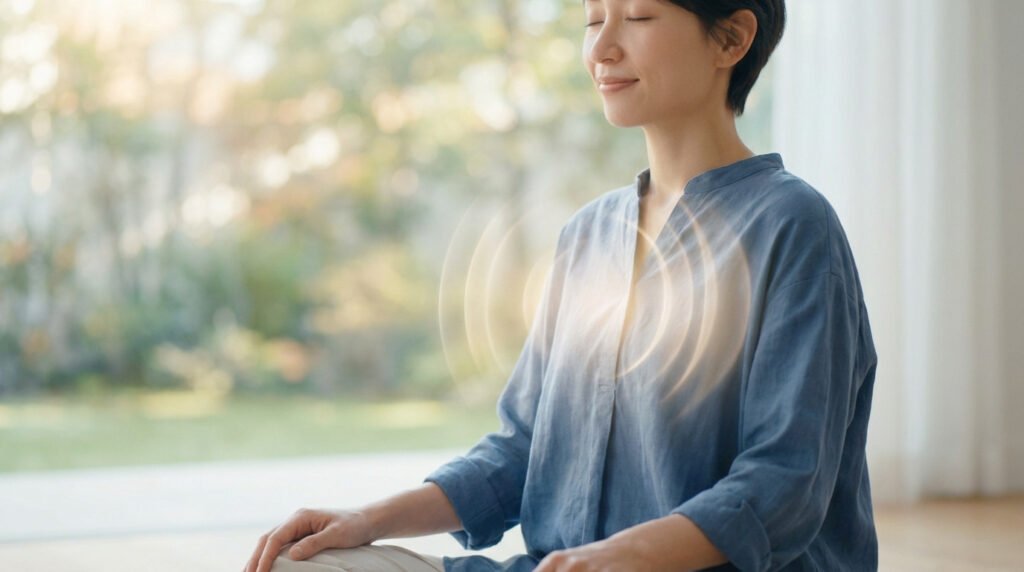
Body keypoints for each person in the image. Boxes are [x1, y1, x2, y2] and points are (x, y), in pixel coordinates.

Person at [244, 0, 880, 570]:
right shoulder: (588, 233)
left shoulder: (793, 225)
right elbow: (523, 448)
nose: (601, 47)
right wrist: (368, 520)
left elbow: (784, 480)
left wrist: (620, 557)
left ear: (731, 39)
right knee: (305, 566)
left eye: (636, 17)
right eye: (590, 19)